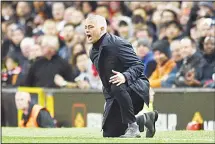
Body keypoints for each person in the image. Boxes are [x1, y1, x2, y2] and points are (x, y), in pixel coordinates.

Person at [84, 14, 158, 138]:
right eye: (85, 27)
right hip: (115, 92)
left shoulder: (117, 44)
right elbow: (105, 78)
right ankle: (145, 119)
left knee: (116, 82)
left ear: (102, 29)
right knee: (110, 133)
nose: (87, 30)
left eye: (91, 27)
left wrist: (125, 76)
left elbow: (139, 65)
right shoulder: (93, 51)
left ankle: (133, 127)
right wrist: (108, 101)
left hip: (135, 89)